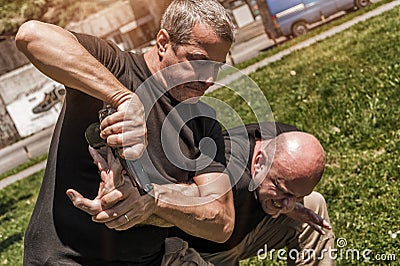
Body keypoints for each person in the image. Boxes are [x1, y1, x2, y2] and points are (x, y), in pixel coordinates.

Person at [16, 0, 236, 264]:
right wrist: (122, 98)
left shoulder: (203, 126)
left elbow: (221, 222)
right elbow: (31, 36)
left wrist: (154, 199)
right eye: (199, 61)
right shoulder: (115, 67)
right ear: (164, 42)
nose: (209, 79)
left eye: (216, 67)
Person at [169, 122, 335, 265]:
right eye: (283, 191)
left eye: (297, 196)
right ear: (258, 162)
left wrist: (288, 204)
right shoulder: (230, 176)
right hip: (202, 249)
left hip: (241, 235)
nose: (289, 204)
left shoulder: (283, 139)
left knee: (314, 206)